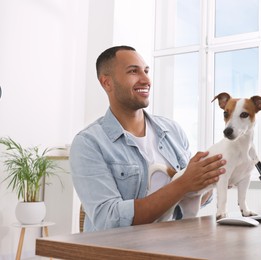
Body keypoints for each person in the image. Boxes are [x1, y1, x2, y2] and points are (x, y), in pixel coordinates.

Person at [70, 45, 226, 232]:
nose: (146, 80)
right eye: (133, 72)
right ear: (107, 83)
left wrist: (210, 179)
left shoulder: (172, 131)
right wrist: (183, 184)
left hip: (175, 244)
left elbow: (190, 200)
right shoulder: (88, 144)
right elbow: (108, 219)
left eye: (146, 71)